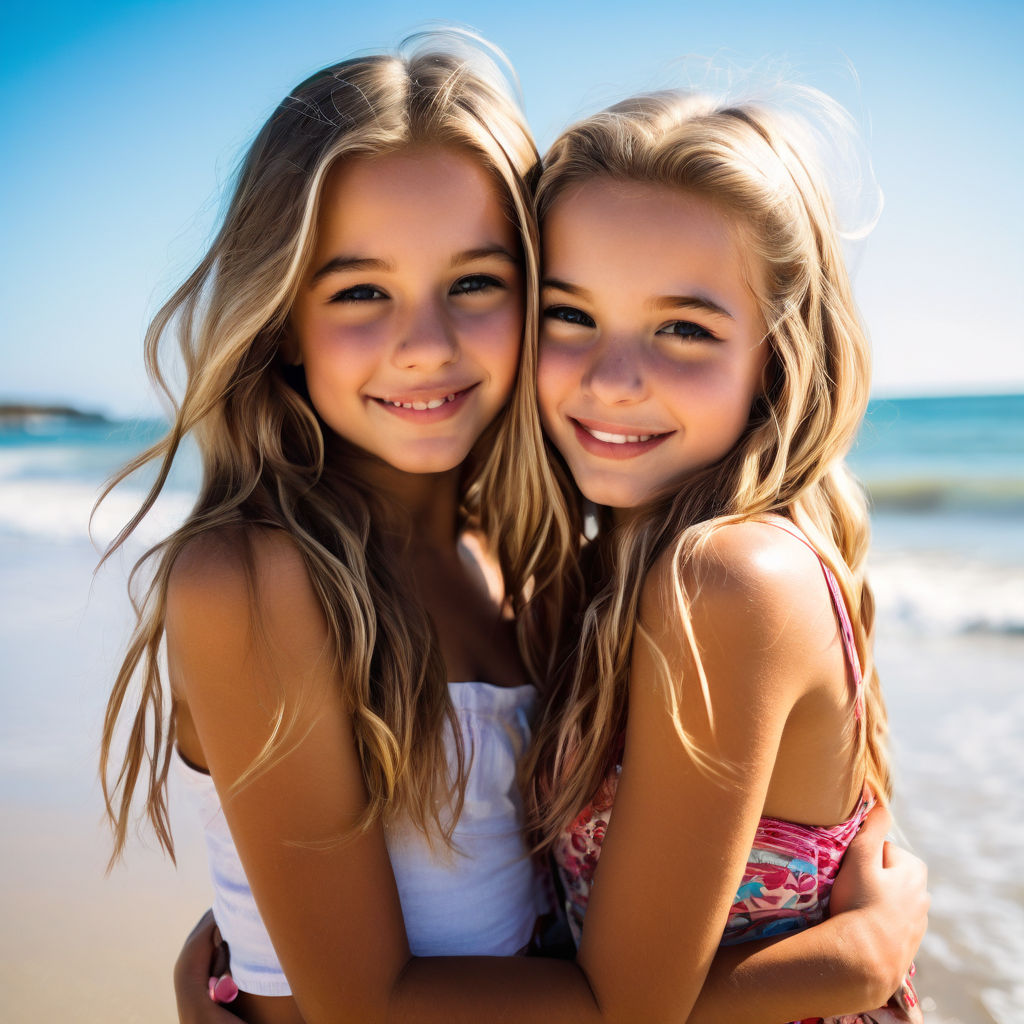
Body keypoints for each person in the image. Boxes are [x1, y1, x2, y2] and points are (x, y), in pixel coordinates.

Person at [106, 36, 925, 1024]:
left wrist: (854, 954)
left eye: (476, 283)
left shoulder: (532, 580)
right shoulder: (256, 579)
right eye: (361, 290)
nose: (425, 345)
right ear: (280, 314)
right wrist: (850, 959)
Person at [520, 90, 925, 1021]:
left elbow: (628, 1009)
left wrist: (856, 962)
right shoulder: (606, 567)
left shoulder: (730, 578)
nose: (613, 379)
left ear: (777, 361)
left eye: (685, 329)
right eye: (570, 315)